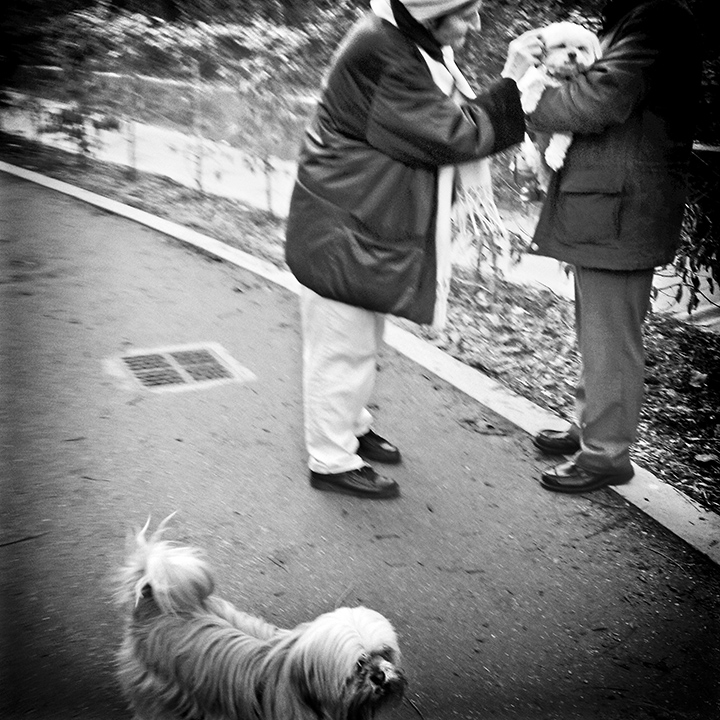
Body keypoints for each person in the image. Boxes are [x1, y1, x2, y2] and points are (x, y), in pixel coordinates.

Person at [285, 0, 543, 499]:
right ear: (431, 13)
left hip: (359, 217)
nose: (476, 24)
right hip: (344, 222)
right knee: (341, 347)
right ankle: (331, 459)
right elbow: (453, 134)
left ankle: (351, 428)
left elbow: (450, 116)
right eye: (466, 14)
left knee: (361, 338)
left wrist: (517, 86)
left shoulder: (402, 40)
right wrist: (511, 77)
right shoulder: (385, 52)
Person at [523, 0, 702, 493]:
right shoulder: (630, 17)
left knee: (611, 337)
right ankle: (589, 428)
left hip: (622, 210)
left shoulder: (655, 16)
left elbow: (600, 100)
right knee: (596, 329)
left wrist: (528, 98)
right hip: (606, 206)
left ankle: (606, 454)